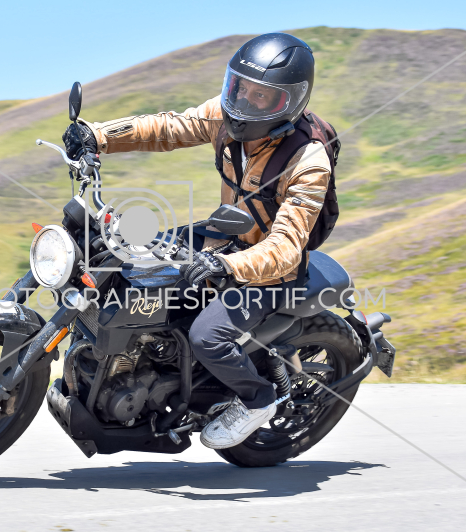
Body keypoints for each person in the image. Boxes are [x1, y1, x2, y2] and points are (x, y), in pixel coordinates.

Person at [62, 33, 333, 449]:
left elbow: (285, 247)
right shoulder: (224, 115)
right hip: (224, 237)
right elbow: (169, 127)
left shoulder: (308, 161)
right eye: (240, 87)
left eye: (262, 96)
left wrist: (227, 265)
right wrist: (97, 136)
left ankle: (258, 399)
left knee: (208, 336)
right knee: (127, 258)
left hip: (268, 271)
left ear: (289, 101)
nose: (245, 102)